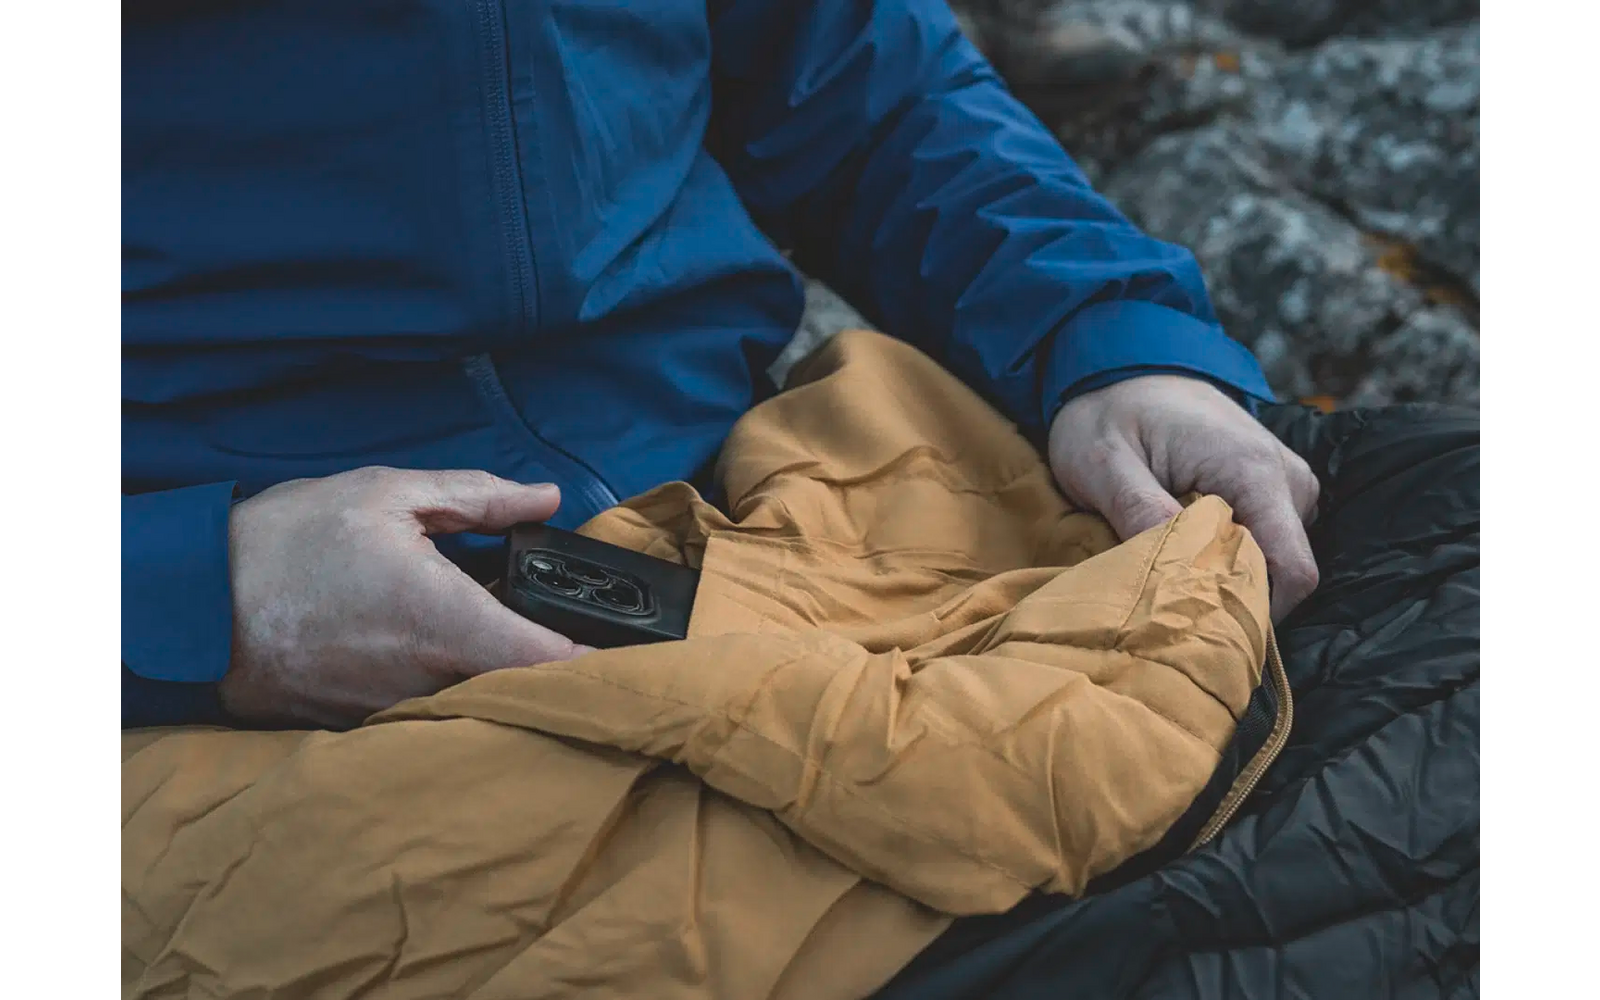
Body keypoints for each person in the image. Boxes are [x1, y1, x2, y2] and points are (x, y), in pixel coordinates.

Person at [123, 0, 1319, 730]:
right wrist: (191, 601)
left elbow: (867, 90)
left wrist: (1106, 346)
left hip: (752, 499)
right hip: (220, 667)